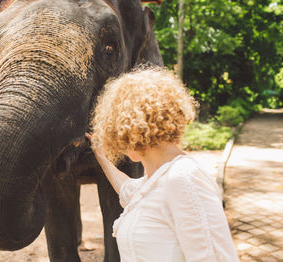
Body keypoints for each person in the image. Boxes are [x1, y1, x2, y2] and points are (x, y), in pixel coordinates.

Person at [85, 66, 239, 262]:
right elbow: (127, 189)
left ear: (130, 128)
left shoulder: (183, 178)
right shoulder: (158, 180)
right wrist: (101, 156)